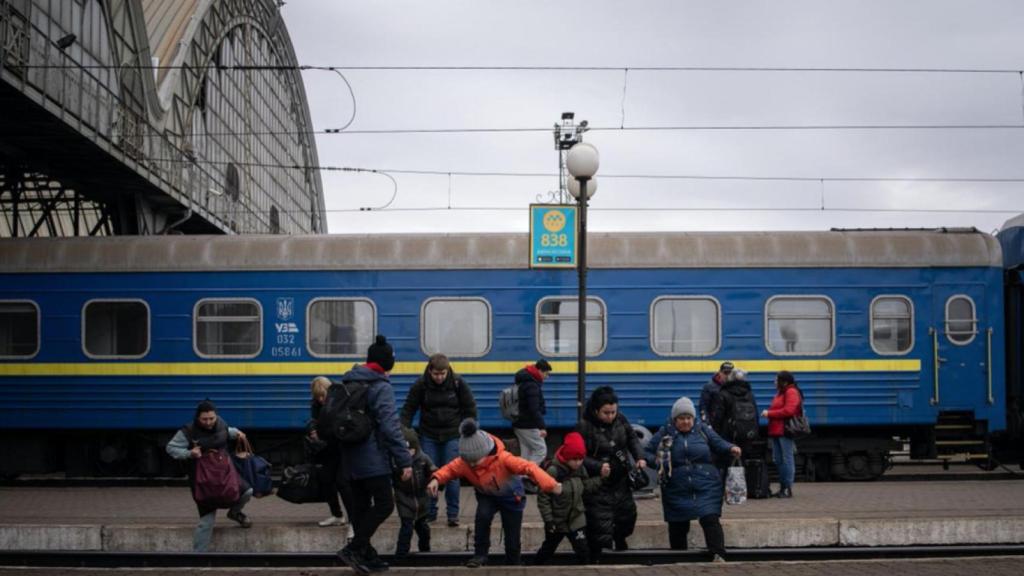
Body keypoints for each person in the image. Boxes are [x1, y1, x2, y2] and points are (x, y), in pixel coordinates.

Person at [427, 418, 562, 568]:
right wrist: (436, 479)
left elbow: (530, 468)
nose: (471, 465)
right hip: (487, 495)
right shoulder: (465, 461)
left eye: (475, 461)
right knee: (482, 518)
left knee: (512, 534)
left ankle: (513, 561)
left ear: (485, 453)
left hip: (512, 497)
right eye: (468, 461)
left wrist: (551, 485)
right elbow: (450, 469)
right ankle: (480, 555)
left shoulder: (504, 459)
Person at [335, 335, 413, 574]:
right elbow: (390, 427)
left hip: (349, 457)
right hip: (373, 458)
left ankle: (368, 556)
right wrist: (404, 460)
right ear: (388, 363)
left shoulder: (349, 382)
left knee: (360, 508)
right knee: (384, 504)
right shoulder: (381, 387)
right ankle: (354, 549)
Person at [645, 396, 741, 562]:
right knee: (678, 524)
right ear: (675, 419)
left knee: (710, 518)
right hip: (676, 487)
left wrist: (731, 448)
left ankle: (718, 555)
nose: (686, 422)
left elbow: (718, 443)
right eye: (682, 418)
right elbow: (647, 452)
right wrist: (657, 463)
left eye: (689, 418)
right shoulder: (665, 433)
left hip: (706, 484)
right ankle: (679, 559)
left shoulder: (702, 430)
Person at [165, 400, 253, 552]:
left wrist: (238, 433)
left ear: (216, 416)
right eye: (204, 419)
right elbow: (171, 447)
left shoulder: (220, 423)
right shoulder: (188, 431)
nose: (208, 422)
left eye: (211, 418)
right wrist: (188, 453)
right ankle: (199, 557)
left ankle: (234, 512)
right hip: (203, 481)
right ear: (198, 418)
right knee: (206, 522)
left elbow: (227, 431)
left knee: (247, 491)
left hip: (225, 476)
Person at [400, 353, 477, 526]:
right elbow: (408, 409)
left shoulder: (458, 383)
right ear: (430, 370)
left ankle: (453, 515)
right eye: (436, 374)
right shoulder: (421, 385)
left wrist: (468, 431)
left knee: (452, 475)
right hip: (429, 434)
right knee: (430, 474)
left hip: (453, 435)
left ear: (448, 370)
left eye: (443, 374)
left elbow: (470, 409)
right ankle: (430, 513)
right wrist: (404, 432)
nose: (440, 378)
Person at [576, 386, 646, 555]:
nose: (610, 416)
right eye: (606, 413)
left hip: (621, 481)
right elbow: (577, 457)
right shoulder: (584, 427)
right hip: (598, 484)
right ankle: (599, 558)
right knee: (600, 524)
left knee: (627, 516)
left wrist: (639, 457)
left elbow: (632, 439)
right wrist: (598, 466)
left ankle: (620, 543)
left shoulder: (621, 420)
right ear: (595, 410)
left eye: (613, 412)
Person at [534, 432, 605, 565]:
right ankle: (535, 567)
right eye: (574, 459)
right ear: (566, 457)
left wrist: (601, 479)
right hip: (557, 520)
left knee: (583, 549)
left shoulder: (580, 469)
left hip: (577, 518)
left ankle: (585, 569)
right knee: (548, 548)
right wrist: (549, 520)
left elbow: (585, 486)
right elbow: (543, 498)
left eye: (580, 459)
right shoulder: (553, 471)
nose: (578, 463)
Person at [308, 376, 352, 530]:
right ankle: (337, 515)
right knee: (326, 481)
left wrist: (322, 432)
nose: (320, 400)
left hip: (341, 449)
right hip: (326, 449)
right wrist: (313, 430)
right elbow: (314, 420)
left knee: (343, 483)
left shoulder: (340, 404)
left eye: (323, 396)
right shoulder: (316, 405)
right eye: (317, 397)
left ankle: (353, 520)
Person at [393, 428, 436, 557]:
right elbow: (390, 477)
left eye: (411, 450)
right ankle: (401, 553)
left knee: (423, 528)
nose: (408, 453)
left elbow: (434, 472)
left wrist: (436, 481)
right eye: (405, 450)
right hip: (404, 500)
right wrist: (398, 476)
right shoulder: (395, 461)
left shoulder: (423, 459)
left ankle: (425, 551)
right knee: (406, 528)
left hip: (422, 500)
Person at [761, 370, 803, 498]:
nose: (774, 382)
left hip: (785, 430)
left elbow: (789, 410)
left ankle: (787, 488)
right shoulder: (781, 392)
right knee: (778, 460)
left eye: (776, 379)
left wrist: (770, 413)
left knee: (786, 459)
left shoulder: (791, 392)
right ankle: (782, 487)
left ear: (784, 382)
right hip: (776, 430)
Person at [512, 359, 552, 482]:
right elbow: (534, 409)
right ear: (540, 371)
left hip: (520, 423)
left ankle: (518, 480)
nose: (547, 377)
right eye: (546, 374)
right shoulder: (531, 385)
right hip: (528, 424)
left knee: (526, 454)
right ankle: (524, 477)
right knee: (541, 450)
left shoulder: (525, 380)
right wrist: (542, 427)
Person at [699, 361, 733, 426]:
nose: (728, 376)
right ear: (720, 372)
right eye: (725, 373)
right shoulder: (709, 387)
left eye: (730, 373)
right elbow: (703, 407)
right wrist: (707, 423)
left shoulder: (735, 387)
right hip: (715, 425)